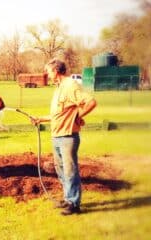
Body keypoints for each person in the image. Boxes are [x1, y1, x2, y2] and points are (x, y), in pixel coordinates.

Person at [31, 59, 97, 215]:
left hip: (68, 137)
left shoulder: (70, 85)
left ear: (55, 71)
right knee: (61, 170)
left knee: (70, 170)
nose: (47, 74)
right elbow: (59, 114)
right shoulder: (59, 87)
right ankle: (68, 198)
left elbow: (91, 102)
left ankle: (74, 204)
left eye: (48, 71)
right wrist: (41, 119)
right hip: (57, 135)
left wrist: (78, 116)